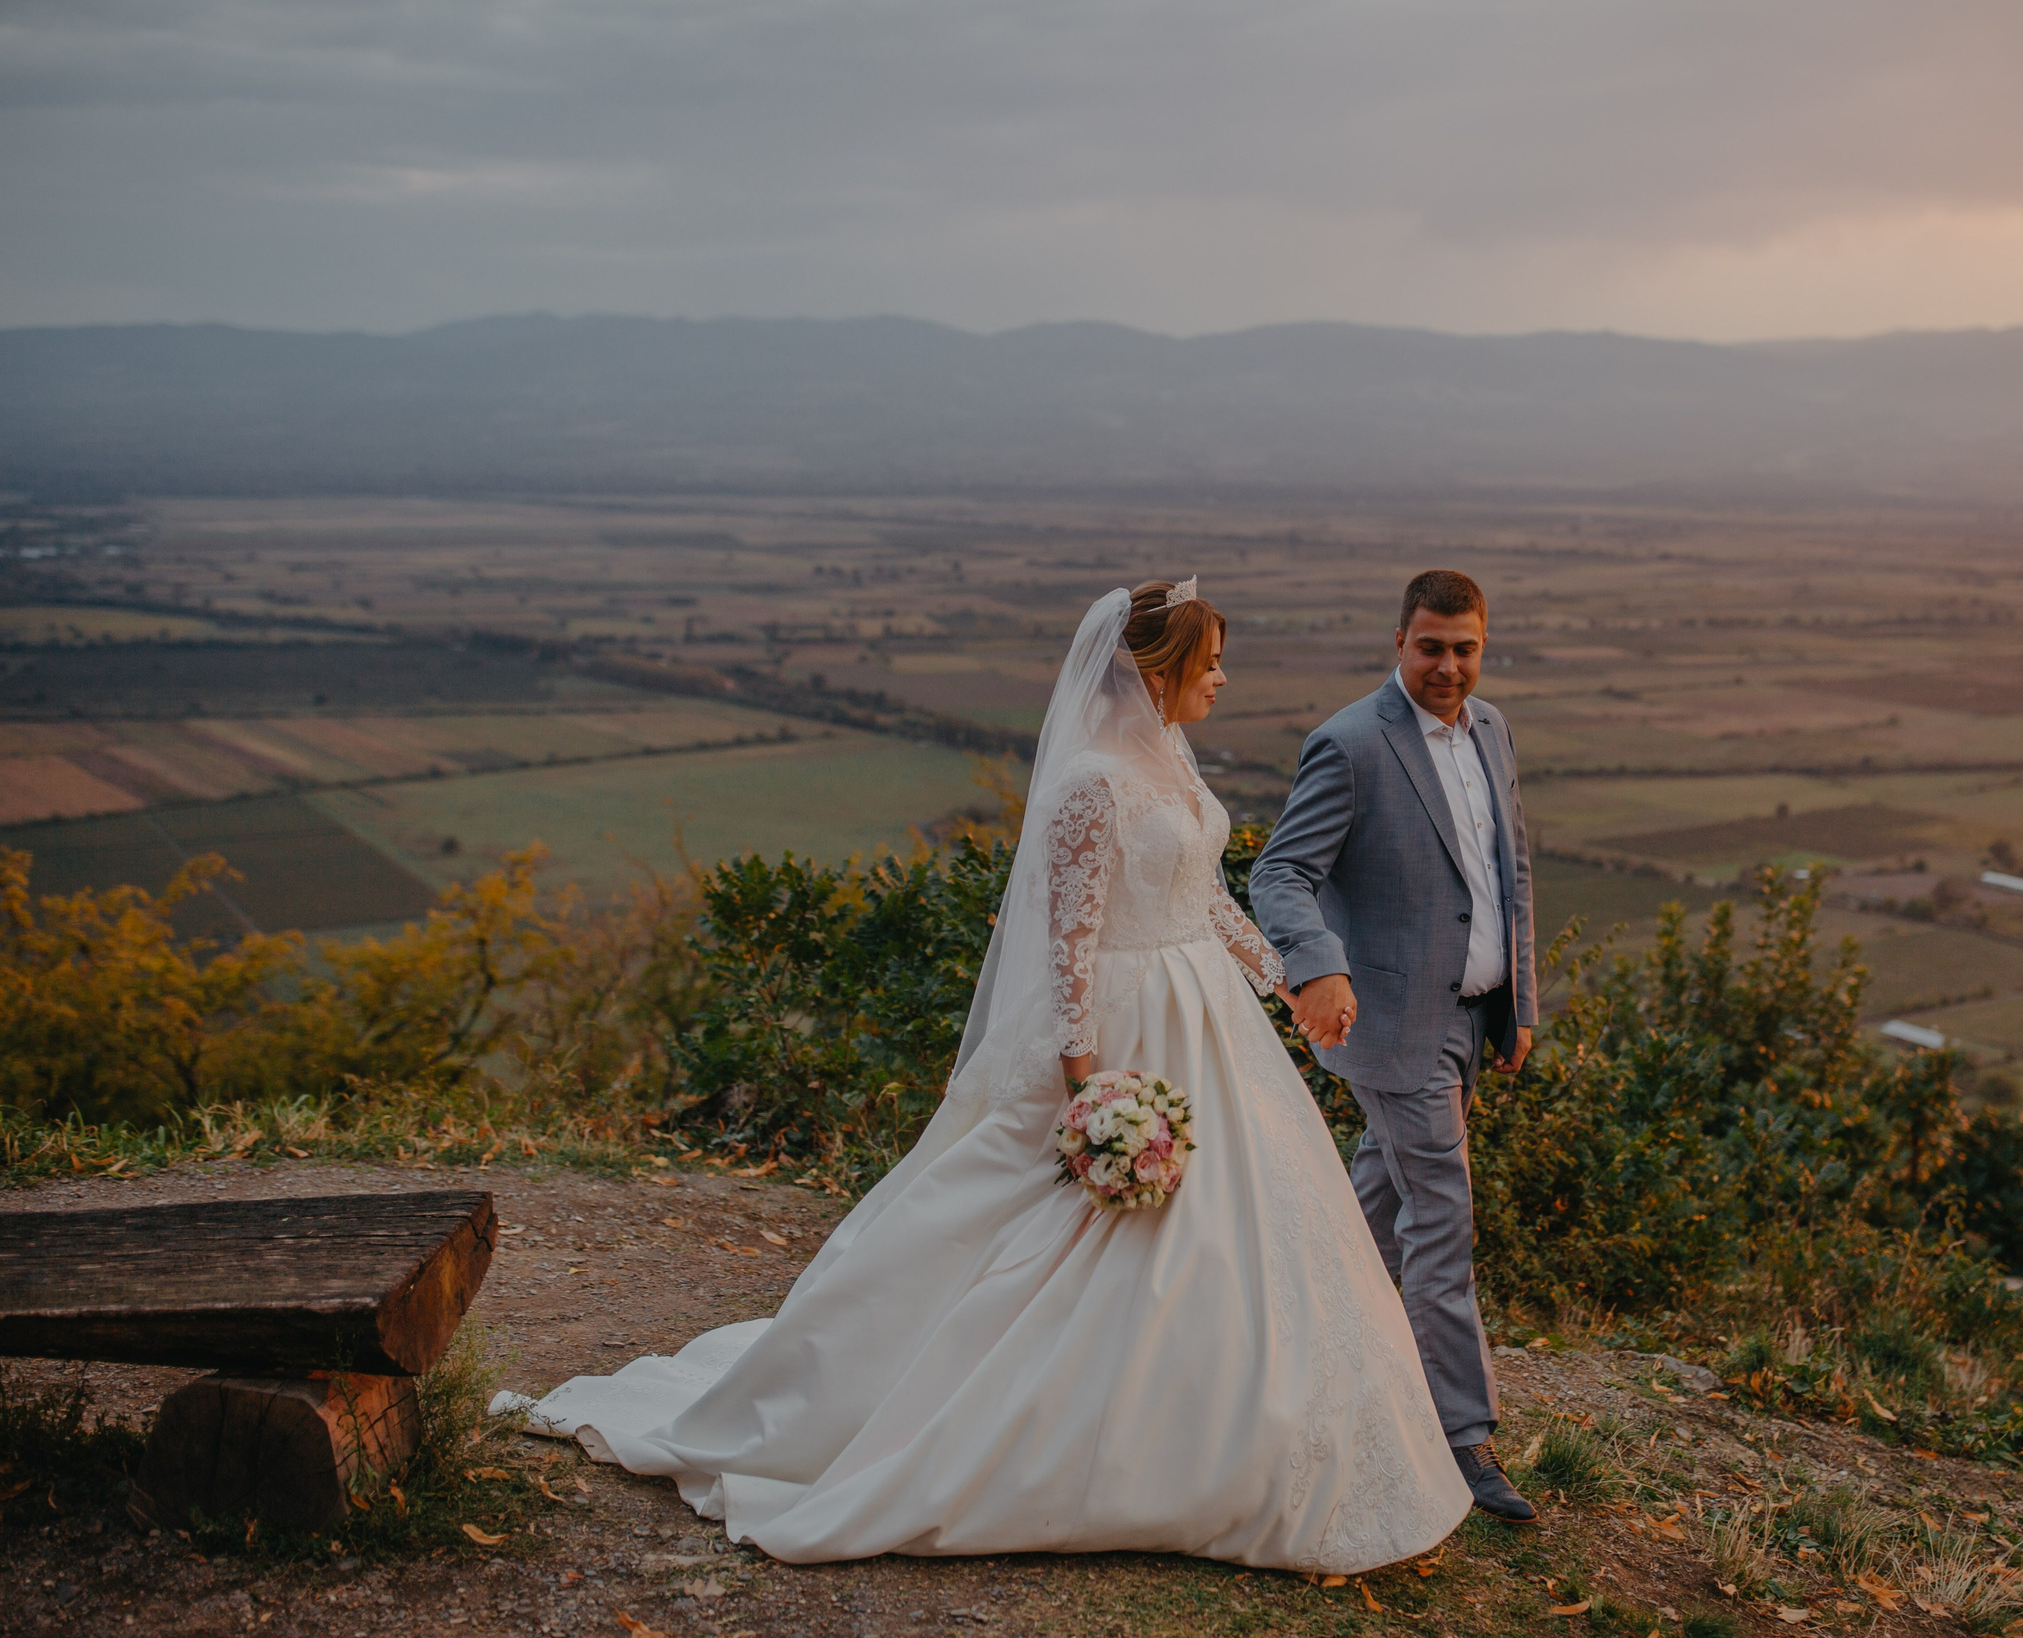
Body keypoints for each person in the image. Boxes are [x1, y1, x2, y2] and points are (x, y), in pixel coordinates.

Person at [511, 580, 1471, 1572]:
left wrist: (1287, 978)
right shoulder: (1091, 782)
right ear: (1157, 669)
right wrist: (1088, 1085)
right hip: (1127, 1025)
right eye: (1211, 662)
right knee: (1072, 1228)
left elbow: (1203, 897)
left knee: (1237, 1232)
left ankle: (1225, 1430)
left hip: (1209, 1014)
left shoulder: (1173, 756)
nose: (1223, 679)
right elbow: (1070, 945)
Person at [1249, 568, 1540, 1525]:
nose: (1449, 665)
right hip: (1391, 1025)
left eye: (1465, 648)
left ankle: (1302, 1358)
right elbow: (1282, 870)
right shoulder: (1350, 743)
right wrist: (1317, 963)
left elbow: (1510, 871)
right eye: (1431, 646)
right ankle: (1461, 1438)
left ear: (1481, 646)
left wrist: (1519, 1001)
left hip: (1469, 1016)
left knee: (1371, 1204)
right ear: (1401, 641)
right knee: (1441, 1224)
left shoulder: (1492, 729)